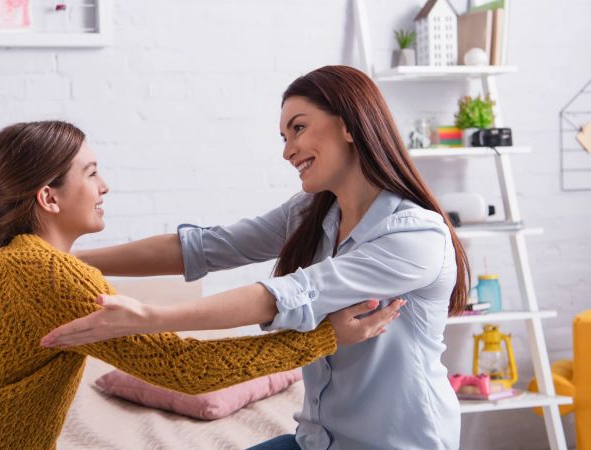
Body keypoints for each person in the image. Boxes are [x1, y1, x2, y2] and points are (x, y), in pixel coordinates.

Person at [0, 120, 401, 450]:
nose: (105, 185)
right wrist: (323, 338)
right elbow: (186, 371)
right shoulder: (44, 273)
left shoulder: (0, 258)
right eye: (91, 173)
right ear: (49, 197)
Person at [41, 66, 471, 450]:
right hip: (316, 441)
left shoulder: (415, 236)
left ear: (348, 126)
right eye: (285, 137)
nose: (288, 150)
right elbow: (205, 247)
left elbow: (289, 294)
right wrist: (59, 257)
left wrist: (151, 316)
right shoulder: (311, 212)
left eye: (298, 129)